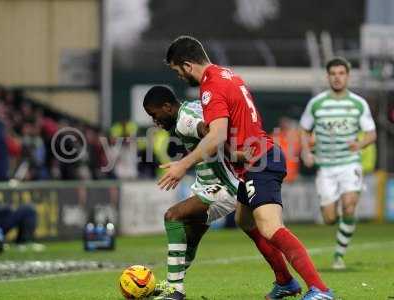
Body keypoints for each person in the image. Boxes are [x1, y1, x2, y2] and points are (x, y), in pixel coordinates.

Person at [158, 36, 333, 300]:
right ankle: (285, 282)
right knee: (244, 220)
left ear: (186, 65)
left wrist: (183, 164)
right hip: (255, 157)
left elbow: (216, 135)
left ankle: (319, 289)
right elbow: (240, 123)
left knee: (271, 228)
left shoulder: (210, 87)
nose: (180, 77)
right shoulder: (227, 75)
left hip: (260, 161)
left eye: (177, 70)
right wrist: (236, 150)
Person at [144, 86, 299, 300]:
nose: (155, 120)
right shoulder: (190, 107)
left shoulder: (184, 120)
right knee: (191, 237)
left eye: (154, 114)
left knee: (173, 216)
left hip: (223, 186)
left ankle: (175, 289)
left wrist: (233, 155)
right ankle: (173, 284)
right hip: (210, 182)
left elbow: (210, 132)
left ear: (167, 107)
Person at [300, 57, 377, 270]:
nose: (337, 77)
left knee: (350, 206)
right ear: (328, 77)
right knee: (329, 218)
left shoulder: (358, 104)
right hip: (325, 167)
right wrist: (306, 151)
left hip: (349, 163)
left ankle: (338, 256)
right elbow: (304, 130)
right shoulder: (316, 103)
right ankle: (336, 219)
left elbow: (371, 134)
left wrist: (359, 144)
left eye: (341, 73)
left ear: (347, 76)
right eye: (333, 74)